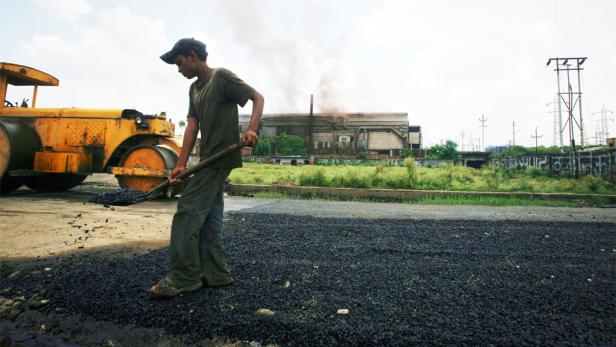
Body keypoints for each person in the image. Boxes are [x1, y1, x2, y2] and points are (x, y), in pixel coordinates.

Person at [148, 38, 264, 297]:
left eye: (179, 63)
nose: (179, 70)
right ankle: (216, 273)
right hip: (207, 160)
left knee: (187, 213)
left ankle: (184, 276)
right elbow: (192, 125)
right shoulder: (194, 89)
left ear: (192, 56)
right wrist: (180, 164)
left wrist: (252, 128)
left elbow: (257, 97)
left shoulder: (221, 77)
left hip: (221, 157)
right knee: (210, 216)